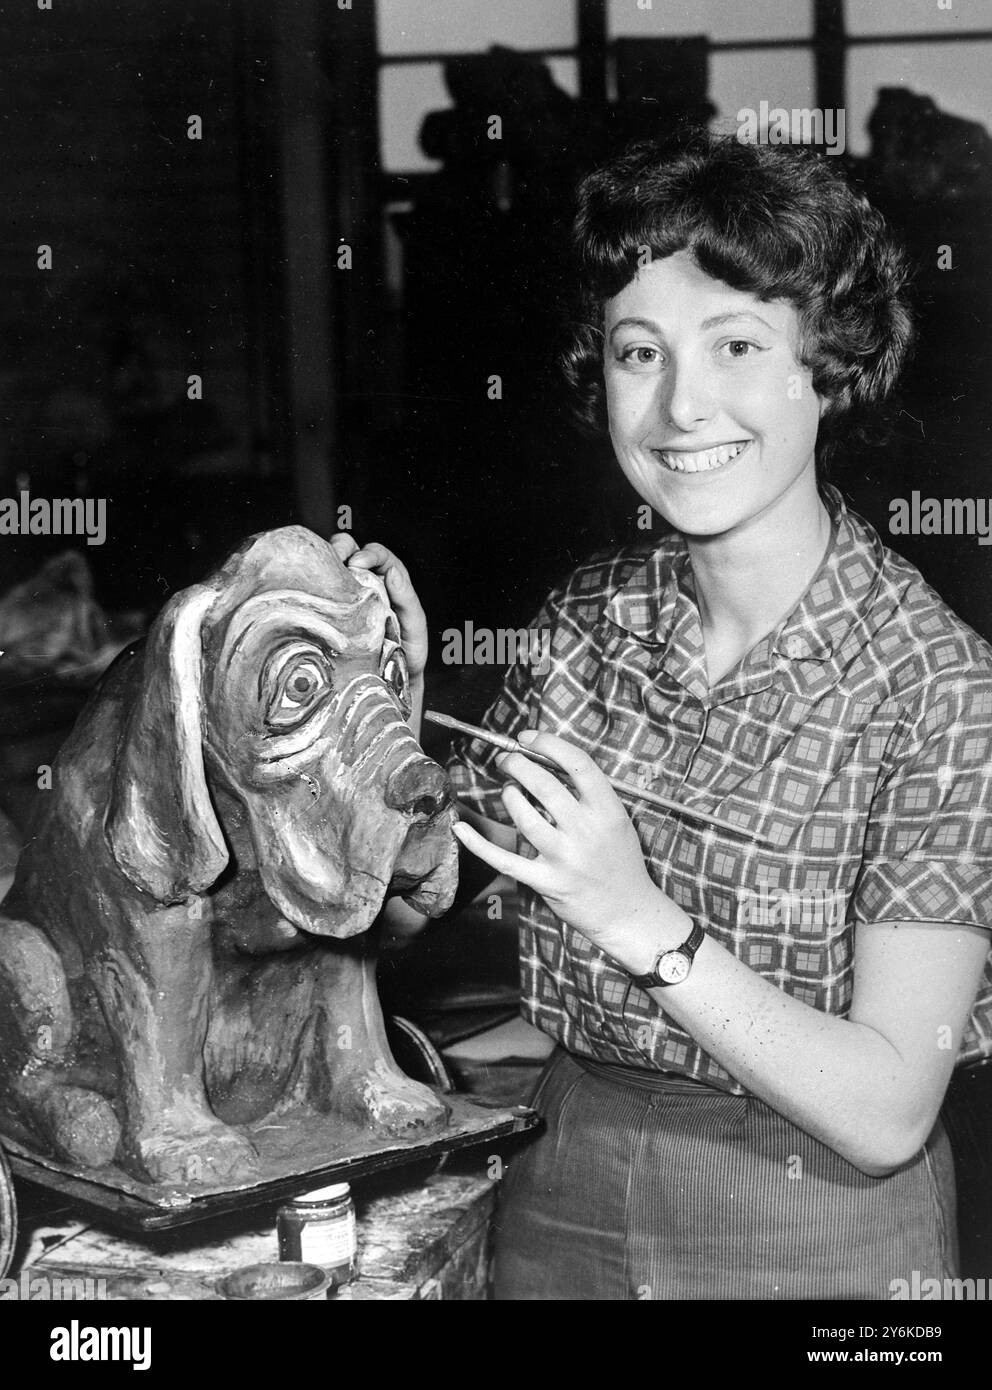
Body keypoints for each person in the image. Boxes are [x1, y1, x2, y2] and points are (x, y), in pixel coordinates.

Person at [333, 134, 992, 1300]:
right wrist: (387, 702)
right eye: (640, 353)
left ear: (827, 368)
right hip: (559, 1173)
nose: (682, 406)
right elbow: (415, 896)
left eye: (736, 345)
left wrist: (632, 915)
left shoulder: (938, 688)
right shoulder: (591, 615)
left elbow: (888, 1109)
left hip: (817, 1225)